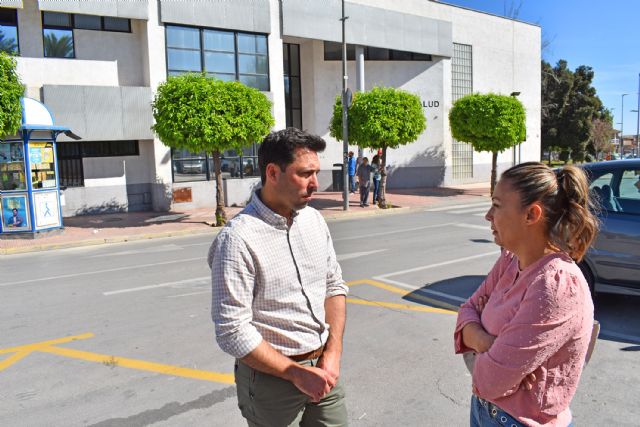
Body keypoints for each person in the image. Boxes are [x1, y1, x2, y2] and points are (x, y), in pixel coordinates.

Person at [209, 127, 349, 426]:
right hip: (273, 380)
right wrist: (294, 373)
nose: (316, 184)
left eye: (317, 172)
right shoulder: (237, 240)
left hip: (324, 366)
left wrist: (333, 352)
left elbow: (333, 285)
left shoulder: (313, 219)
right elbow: (232, 330)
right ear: (273, 173)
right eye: (305, 174)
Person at [454, 162, 599, 427]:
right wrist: (488, 342)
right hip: (485, 411)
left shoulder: (556, 286)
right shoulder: (511, 261)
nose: (488, 215)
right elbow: (466, 311)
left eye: (497, 205)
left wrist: (477, 332)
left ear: (531, 214)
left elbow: (489, 380)